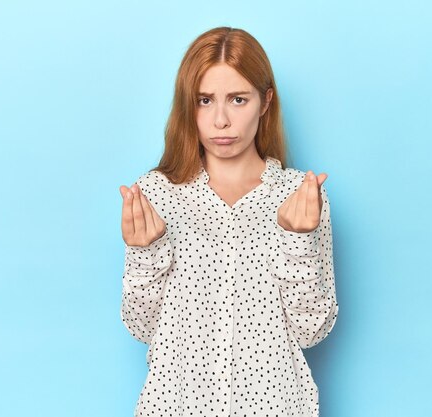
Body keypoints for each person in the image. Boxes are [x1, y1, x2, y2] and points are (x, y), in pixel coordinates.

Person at [118, 26, 339, 417]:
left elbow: (312, 330)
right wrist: (145, 254)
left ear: (265, 101)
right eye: (205, 100)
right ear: (189, 106)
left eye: (238, 99)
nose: (220, 120)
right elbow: (142, 327)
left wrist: (298, 242)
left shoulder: (298, 196)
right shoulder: (157, 194)